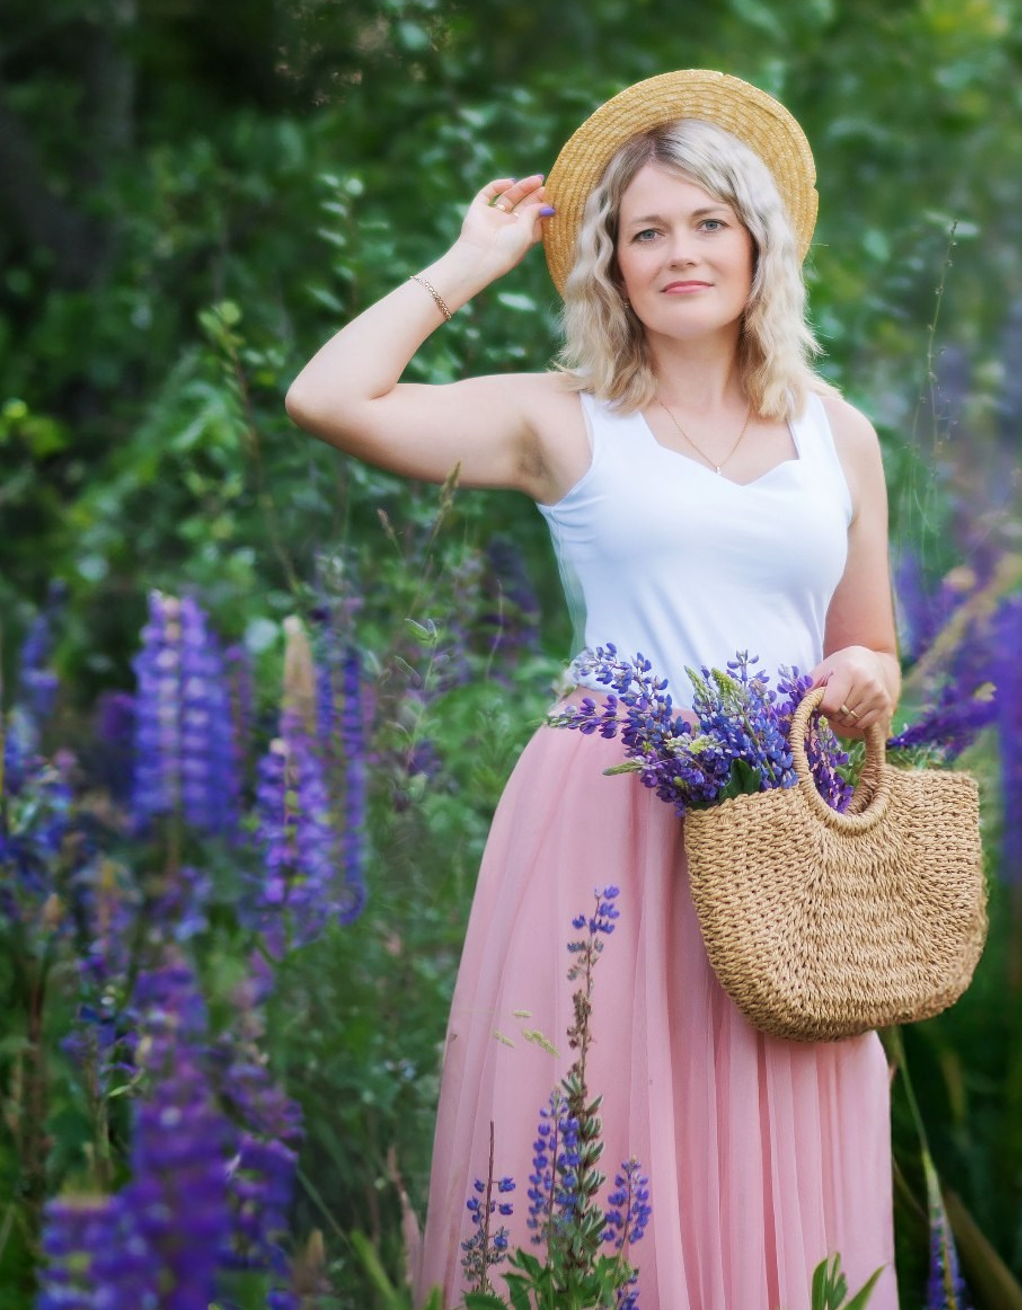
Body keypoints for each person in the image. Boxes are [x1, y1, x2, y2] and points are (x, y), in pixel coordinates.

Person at [284, 70, 901, 1308]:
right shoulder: (564, 420)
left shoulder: (837, 434)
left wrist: (864, 679)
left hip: (781, 833)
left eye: (708, 224)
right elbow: (325, 398)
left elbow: (872, 643)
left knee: (783, 1129)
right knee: (605, 1143)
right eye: (646, 232)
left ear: (758, 243)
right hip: (607, 825)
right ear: (610, 266)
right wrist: (468, 263)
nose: (681, 254)